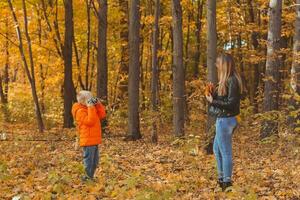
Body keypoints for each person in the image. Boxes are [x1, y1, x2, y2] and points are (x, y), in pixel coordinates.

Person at [206, 53, 243, 191]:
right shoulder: (227, 80)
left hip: (226, 120)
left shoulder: (232, 80)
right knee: (217, 149)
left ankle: (227, 183)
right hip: (225, 119)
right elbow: (225, 99)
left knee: (225, 151)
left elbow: (231, 104)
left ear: (225, 65)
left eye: (218, 63)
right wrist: (213, 94)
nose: (216, 65)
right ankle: (222, 179)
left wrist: (213, 101)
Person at [72, 90, 106, 181]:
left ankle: (90, 177)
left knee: (95, 162)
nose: (91, 100)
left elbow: (102, 115)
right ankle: (86, 178)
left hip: (94, 139)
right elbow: (90, 122)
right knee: (89, 161)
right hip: (88, 140)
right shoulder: (79, 111)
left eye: (92, 98)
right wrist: (90, 107)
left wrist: (98, 104)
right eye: (89, 99)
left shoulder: (89, 108)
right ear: (83, 101)